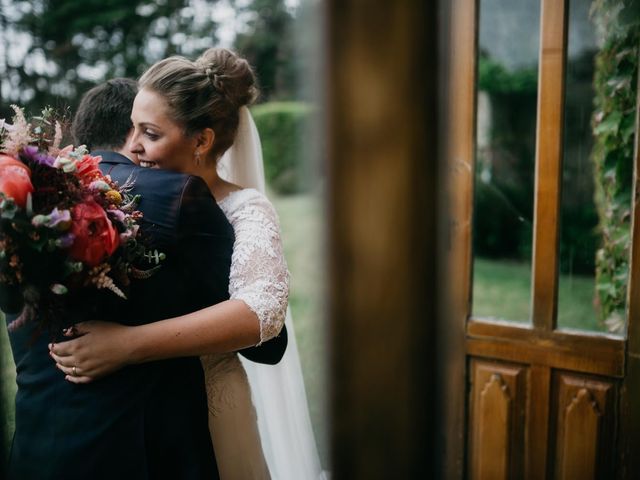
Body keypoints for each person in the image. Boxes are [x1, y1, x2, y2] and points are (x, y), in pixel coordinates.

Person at [50, 50, 326, 479]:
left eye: (150, 133)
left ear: (201, 141)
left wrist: (125, 345)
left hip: (214, 411)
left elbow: (262, 313)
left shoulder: (246, 208)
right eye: (132, 128)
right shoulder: (130, 197)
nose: (133, 146)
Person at [4, 77, 238, 479]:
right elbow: (263, 341)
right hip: (149, 456)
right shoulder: (180, 194)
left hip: (35, 451)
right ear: (134, 131)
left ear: (80, 131)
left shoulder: (20, 204)